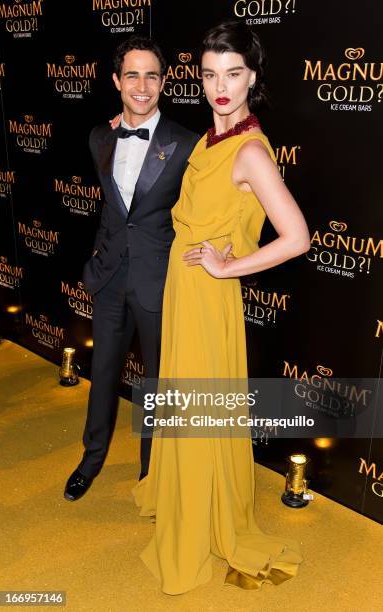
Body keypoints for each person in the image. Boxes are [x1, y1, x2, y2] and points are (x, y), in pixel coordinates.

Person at [131, 21, 310, 594]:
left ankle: (206, 522)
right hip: (183, 292)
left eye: (233, 74)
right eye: (210, 75)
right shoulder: (210, 140)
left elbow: (297, 237)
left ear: (252, 78)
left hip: (207, 297)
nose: (220, 86)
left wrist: (227, 266)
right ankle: (187, 501)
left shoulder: (251, 151)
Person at [64, 36, 199, 501]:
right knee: (101, 372)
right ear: (117, 81)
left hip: (160, 282)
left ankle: (151, 475)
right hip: (109, 277)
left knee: (156, 386)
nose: (142, 86)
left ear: (164, 81)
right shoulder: (100, 136)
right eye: (133, 75)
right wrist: (97, 261)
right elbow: (112, 210)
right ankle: (91, 458)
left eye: (152, 75)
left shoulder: (186, 144)